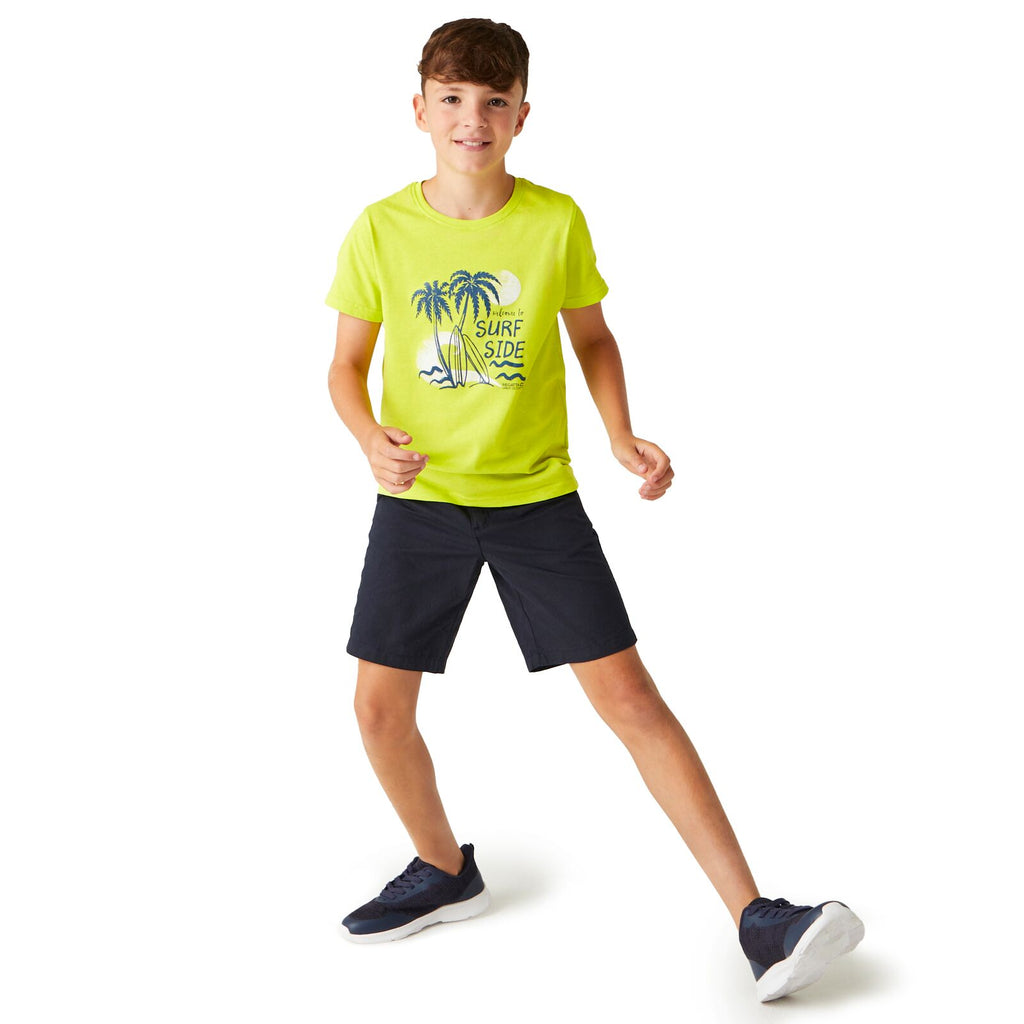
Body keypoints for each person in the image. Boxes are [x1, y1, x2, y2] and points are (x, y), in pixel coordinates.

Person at [324, 17, 863, 1002]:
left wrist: (620, 433)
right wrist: (367, 436)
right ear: (419, 110)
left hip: (537, 500)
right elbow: (345, 365)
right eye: (452, 99)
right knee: (377, 708)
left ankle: (759, 918)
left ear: (522, 116)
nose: (472, 119)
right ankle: (443, 868)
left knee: (630, 699)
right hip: (422, 504)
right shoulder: (379, 228)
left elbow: (595, 339)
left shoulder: (555, 221)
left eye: (493, 102)